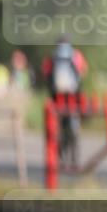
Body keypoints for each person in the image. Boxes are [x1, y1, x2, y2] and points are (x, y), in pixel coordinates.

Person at [41, 36, 89, 168]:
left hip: (57, 98)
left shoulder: (52, 56)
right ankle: (74, 159)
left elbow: (46, 73)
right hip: (72, 98)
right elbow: (83, 71)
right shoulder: (75, 54)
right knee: (73, 126)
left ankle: (59, 157)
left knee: (57, 126)